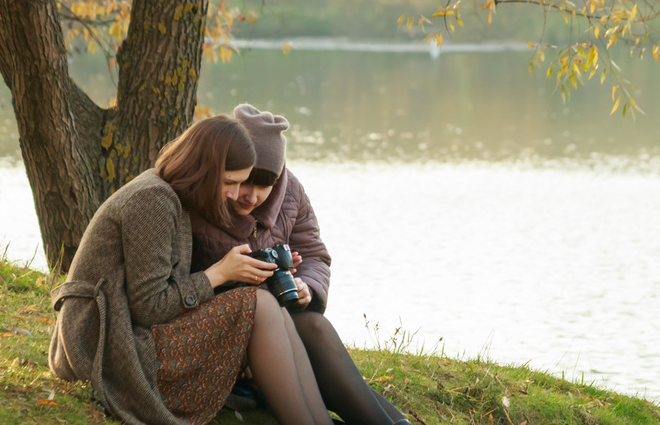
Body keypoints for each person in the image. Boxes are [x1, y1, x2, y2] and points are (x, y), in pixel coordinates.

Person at [47, 115, 333, 425]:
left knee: (273, 308)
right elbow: (149, 307)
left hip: (127, 333)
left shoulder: (172, 197)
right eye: (230, 183)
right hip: (103, 348)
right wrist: (220, 272)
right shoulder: (153, 199)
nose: (237, 195)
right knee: (259, 303)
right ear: (205, 170)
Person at [190, 104, 409, 425]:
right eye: (244, 182)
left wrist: (307, 285)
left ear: (278, 178)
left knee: (314, 325)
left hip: (282, 324)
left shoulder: (291, 192)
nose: (250, 196)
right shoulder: (199, 198)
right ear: (229, 171)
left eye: (264, 185)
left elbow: (315, 255)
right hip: (227, 327)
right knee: (300, 334)